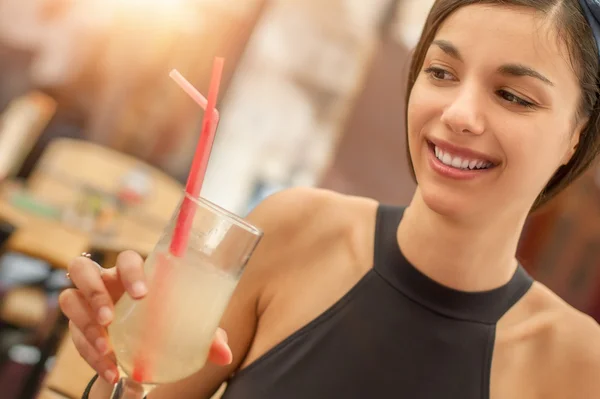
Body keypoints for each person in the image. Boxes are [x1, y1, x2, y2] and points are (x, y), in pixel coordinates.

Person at [60, 0, 600, 398]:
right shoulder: (293, 230)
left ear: (577, 133)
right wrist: (123, 370)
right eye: (441, 72)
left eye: (512, 95)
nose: (459, 113)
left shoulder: (579, 365)